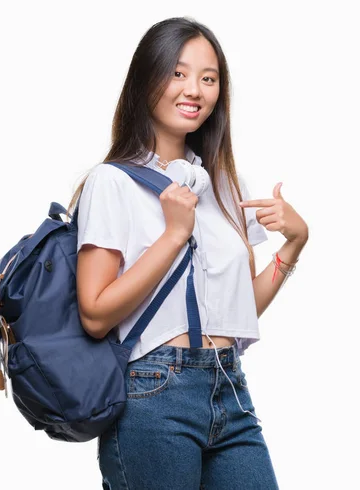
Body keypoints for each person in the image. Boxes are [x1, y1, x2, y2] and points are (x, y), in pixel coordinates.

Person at [68, 16, 309, 490]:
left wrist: (294, 245)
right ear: (146, 79)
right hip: (153, 393)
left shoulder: (223, 186)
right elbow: (95, 314)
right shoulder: (112, 182)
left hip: (230, 389)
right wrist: (174, 235)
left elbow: (236, 313)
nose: (194, 89)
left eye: (208, 77)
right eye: (177, 73)